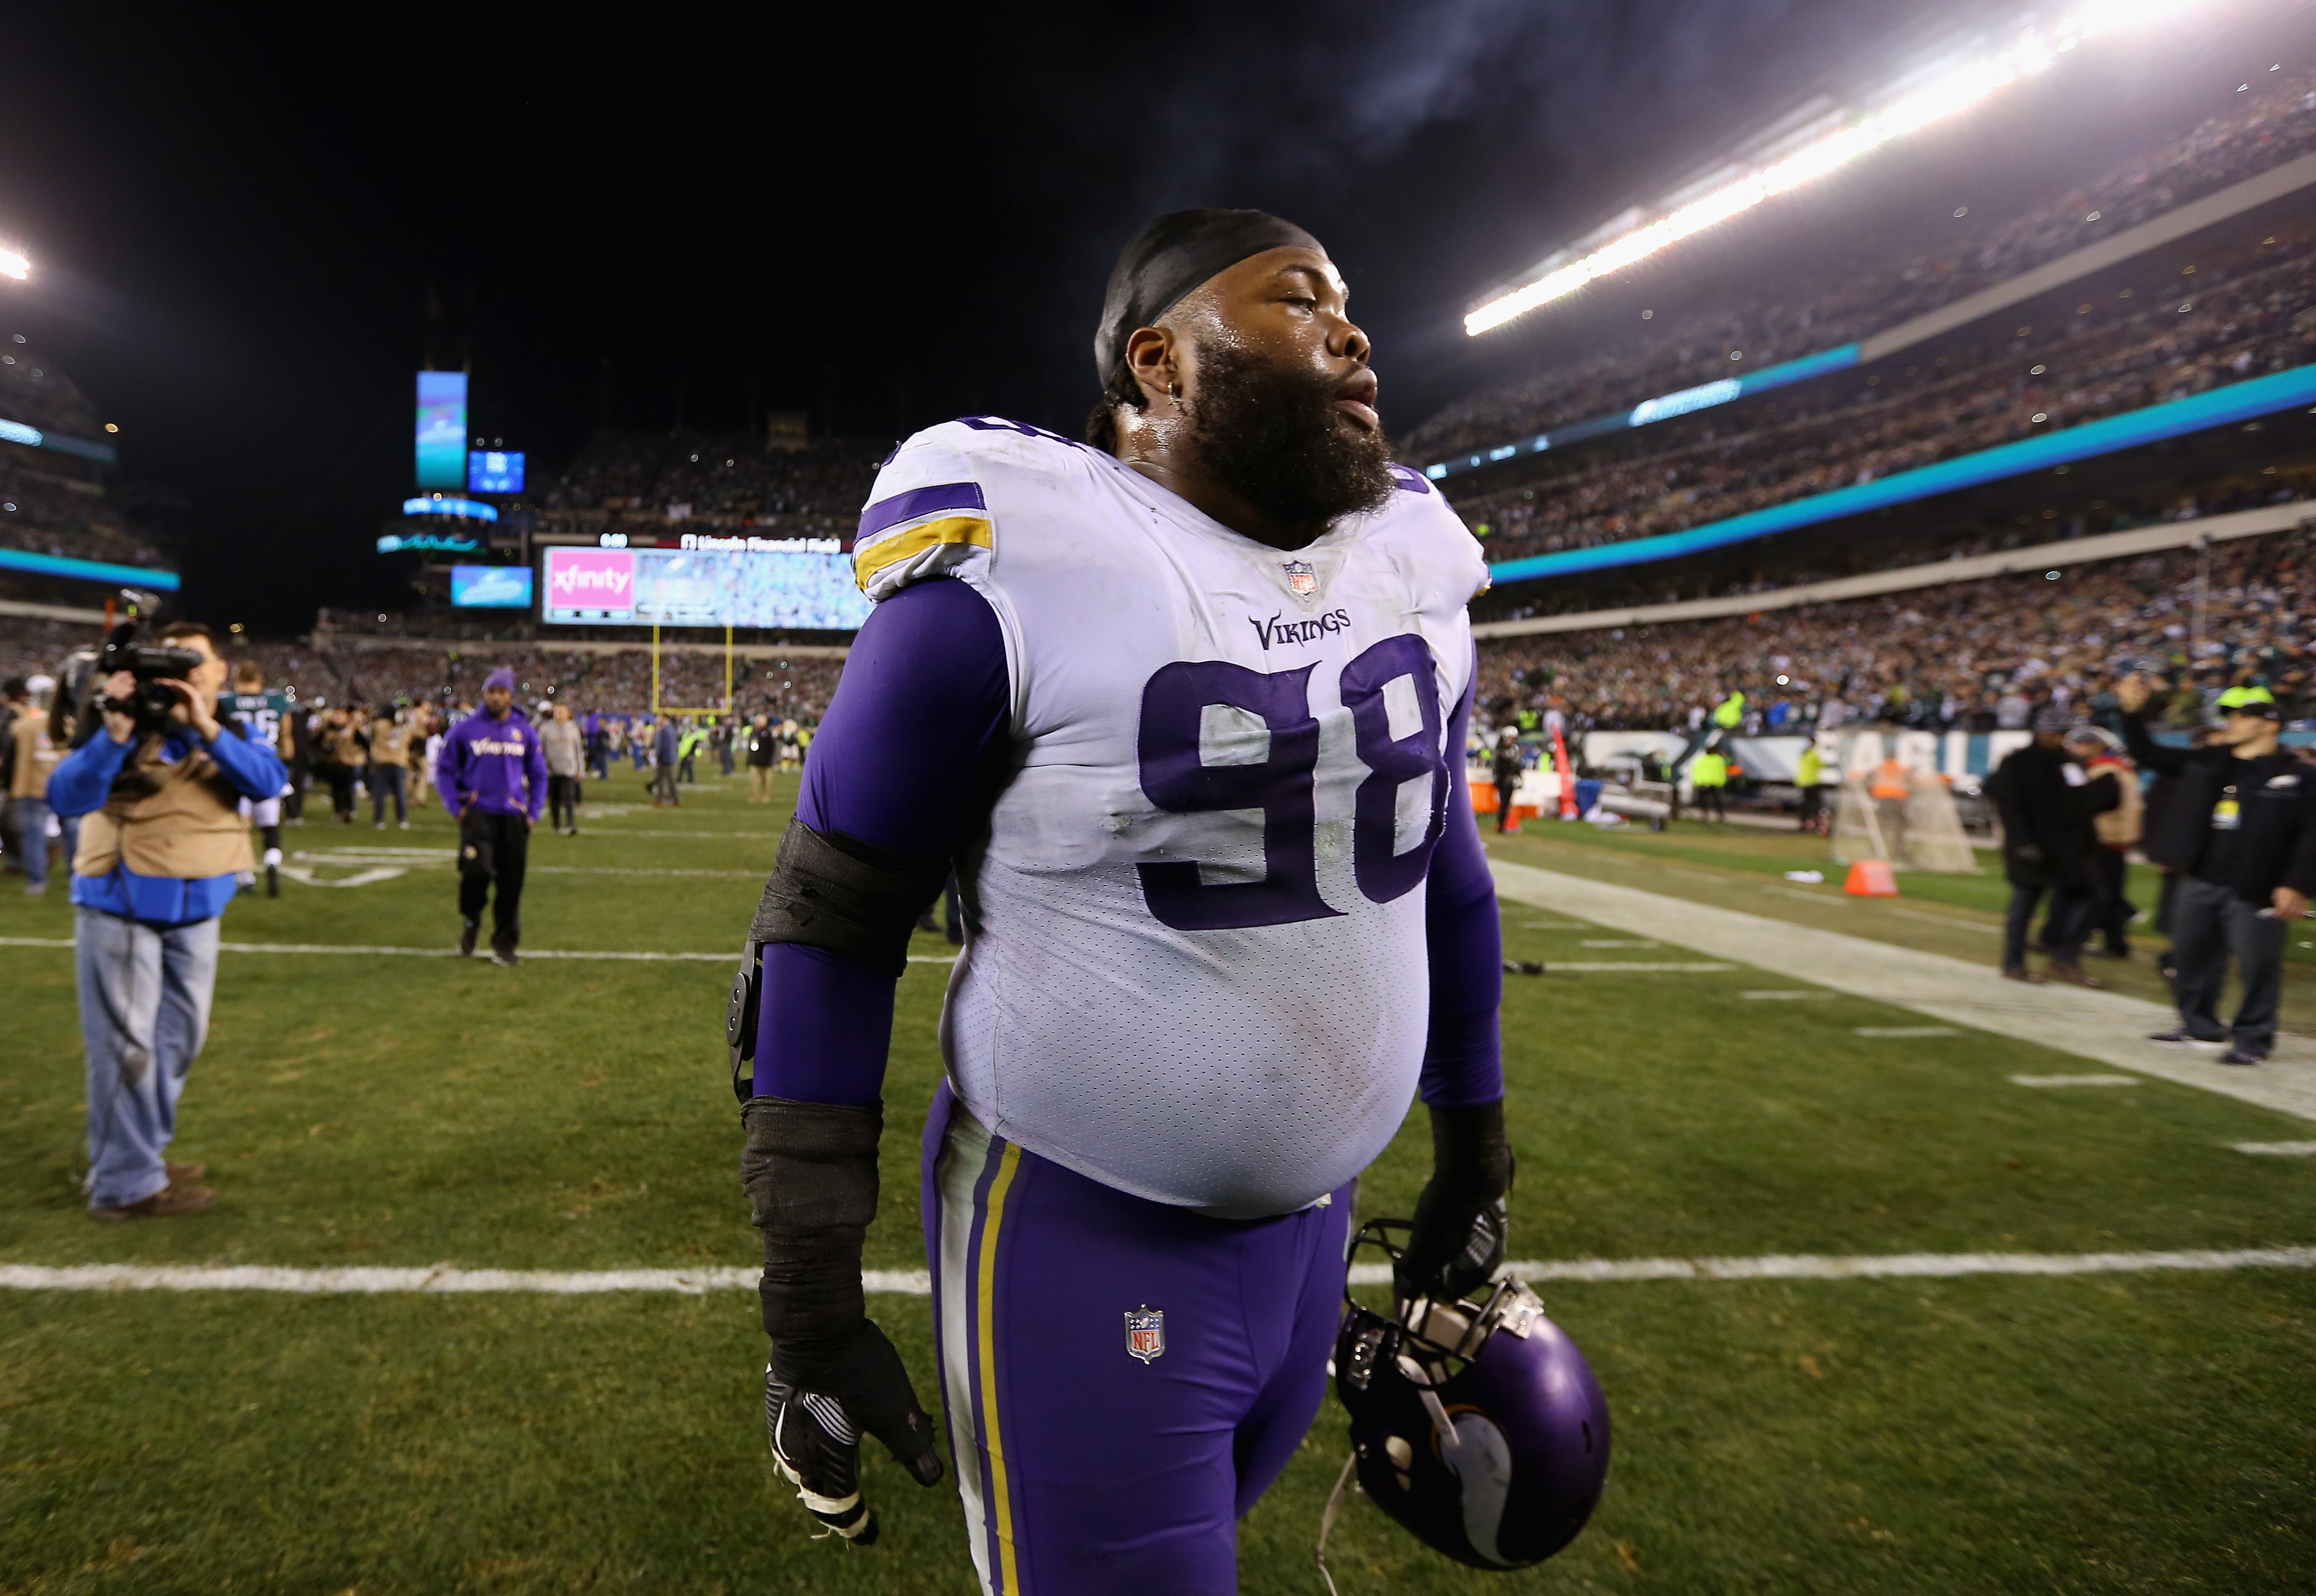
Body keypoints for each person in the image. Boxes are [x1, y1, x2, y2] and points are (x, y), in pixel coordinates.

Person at [733, 209, 1509, 1590]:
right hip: (1080, 1229)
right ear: (1159, 362)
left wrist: (1475, 1141)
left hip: (1311, 1228)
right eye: (1297, 299)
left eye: (1349, 299)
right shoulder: (1026, 557)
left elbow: (1441, 865)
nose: (1351, 327)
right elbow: (830, 913)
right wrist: (807, 1302)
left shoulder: (1411, 552)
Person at [46, 619, 288, 1218]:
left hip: (201, 904)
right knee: (128, 1048)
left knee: (179, 1041)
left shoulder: (224, 727)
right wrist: (113, 736)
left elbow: (268, 782)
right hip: (123, 901)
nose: (186, 673)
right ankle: (124, 1180)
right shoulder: (120, 721)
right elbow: (66, 796)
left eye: (195, 662)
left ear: (219, 671)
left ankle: (138, 1150)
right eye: (173, 663)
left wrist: (204, 728)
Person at [2117, 677, 2316, 1063]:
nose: (2230, 722)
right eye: (2227, 715)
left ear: (2269, 722)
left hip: (2257, 887)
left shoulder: (2300, 775)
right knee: (2190, 956)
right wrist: (2130, 711)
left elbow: (2313, 833)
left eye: (2240, 716)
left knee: (2258, 964)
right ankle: (2199, 1026)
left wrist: (2296, 883)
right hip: (2199, 878)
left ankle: (2253, 1040)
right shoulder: (2210, 760)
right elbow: (2145, 753)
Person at [1986, 705, 2115, 986]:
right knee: (2025, 906)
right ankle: (2014, 962)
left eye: (2064, 733)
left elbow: (2080, 803)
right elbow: (2008, 807)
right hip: (2033, 846)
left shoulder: (2068, 762)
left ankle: (2065, 959)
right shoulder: (2017, 763)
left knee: (2093, 898)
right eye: (2056, 732)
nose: (2060, 738)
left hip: (2069, 848)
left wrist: (2091, 834)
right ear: (2041, 732)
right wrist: (2022, 843)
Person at [436, 666, 546, 966]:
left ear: (510, 696)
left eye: (502, 692)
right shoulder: (465, 730)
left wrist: (534, 811)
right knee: (477, 872)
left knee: (511, 884)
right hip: (478, 815)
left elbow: (539, 775)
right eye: (492, 692)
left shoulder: (524, 731)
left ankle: (505, 944)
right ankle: (472, 918)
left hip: (513, 816)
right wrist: (456, 808)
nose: (497, 697)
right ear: (485, 694)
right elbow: (444, 770)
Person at [222, 663, 295, 895]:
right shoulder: (277, 701)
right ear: (260, 678)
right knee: (270, 827)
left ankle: (245, 877)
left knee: (240, 828)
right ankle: (272, 862)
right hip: (265, 770)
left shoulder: (225, 702)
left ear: (236, 678)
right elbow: (287, 740)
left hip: (237, 768)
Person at [2070, 726, 2142, 959]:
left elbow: (2097, 803)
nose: (2075, 749)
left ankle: (2110, 940)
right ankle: (2115, 941)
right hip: (2116, 838)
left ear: (2095, 746)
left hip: (2104, 837)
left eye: (2080, 745)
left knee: (2100, 895)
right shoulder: (2120, 768)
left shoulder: (2104, 770)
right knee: (2109, 892)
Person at [10, 674, 71, 894]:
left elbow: (11, 757)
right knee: (71, 832)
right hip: (62, 784)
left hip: (30, 785)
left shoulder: (22, 725)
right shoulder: (67, 723)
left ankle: (37, 881)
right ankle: (76, 879)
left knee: (33, 835)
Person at [541, 701, 585, 836]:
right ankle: (557, 824)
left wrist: (581, 769)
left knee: (568, 798)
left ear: (568, 714)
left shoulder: (573, 729)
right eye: (557, 711)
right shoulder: (545, 729)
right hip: (551, 770)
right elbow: (539, 750)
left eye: (562, 711)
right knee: (554, 799)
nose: (559, 714)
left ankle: (571, 824)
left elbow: (578, 750)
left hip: (569, 769)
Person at [367, 704, 411, 828]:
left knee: (380, 793)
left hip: (382, 761)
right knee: (400, 793)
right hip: (398, 761)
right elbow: (408, 740)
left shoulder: (378, 725)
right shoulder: (404, 726)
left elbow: (372, 737)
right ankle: (402, 819)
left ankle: (379, 819)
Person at [1489, 726, 1523, 833]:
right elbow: (1498, 768)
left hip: (1511, 780)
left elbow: (1517, 767)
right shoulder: (1501, 752)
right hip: (1503, 780)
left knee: (1507, 804)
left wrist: (1519, 777)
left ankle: (1505, 824)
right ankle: (1502, 825)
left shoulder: (1515, 750)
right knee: (1504, 803)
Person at [1796, 736, 1830, 834]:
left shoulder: (1804, 754)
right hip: (1812, 781)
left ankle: (1803, 821)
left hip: (1803, 781)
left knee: (1805, 803)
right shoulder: (1813, 754)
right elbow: (1820, 765)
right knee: (1816, 804)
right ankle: (1816, 823)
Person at [1689, 740, 1729, 822]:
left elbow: (1697, 771)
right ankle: (1719, 815)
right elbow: (1722, 772)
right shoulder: (1719, 760)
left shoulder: (1702, 759)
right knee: (1717, 801)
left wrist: (1697, 782)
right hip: (1716, 783)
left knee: (1705, 801)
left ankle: (1705, 814)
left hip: (1704, 783)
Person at [746, 712, 776, 802]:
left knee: (766, 780)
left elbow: (772, 747)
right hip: (755, 760)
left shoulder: (768, 733)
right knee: (754, 780)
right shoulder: (754, 732)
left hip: (766, 761)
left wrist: (770, 759)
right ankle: (755, 796)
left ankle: (766, 796)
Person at [652, 715, 680, 807]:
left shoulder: (665, 730)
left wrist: (659, 755)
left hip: (665, 758)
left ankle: (660, 800)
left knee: (662, 779)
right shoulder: (671, 729)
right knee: (669, 779)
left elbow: (663, 745)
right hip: (669, 757)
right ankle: (675, 799)